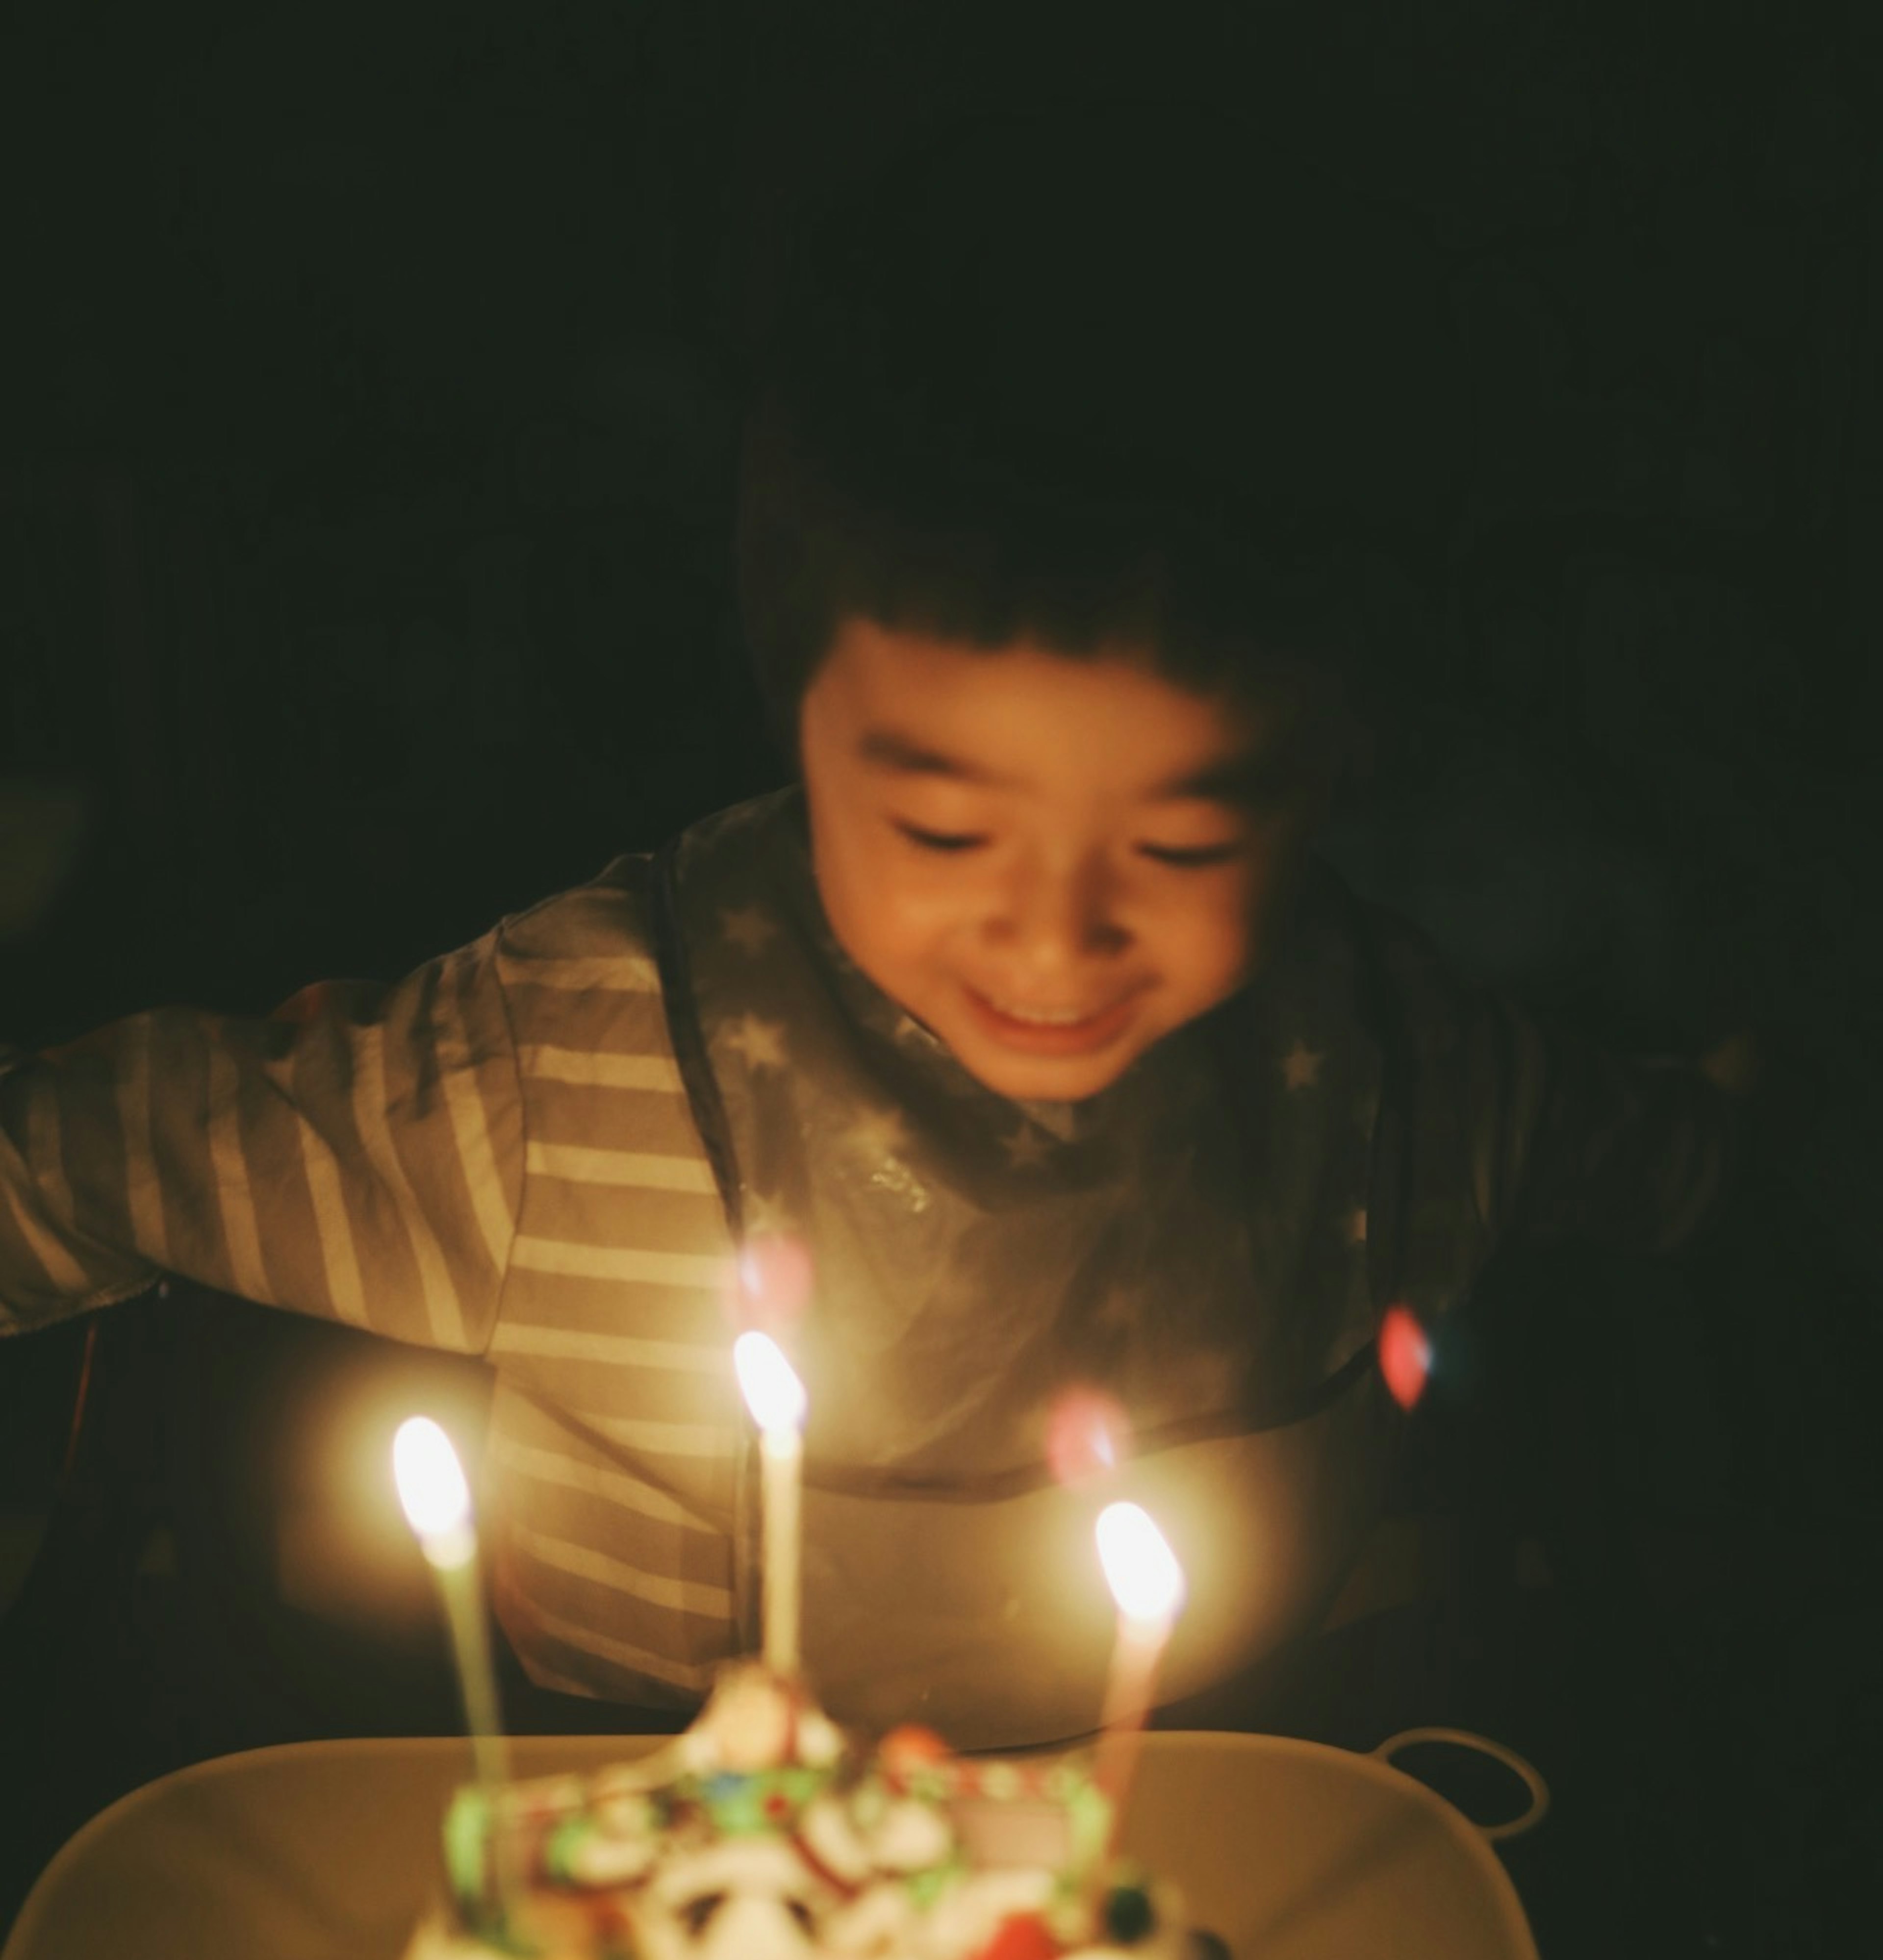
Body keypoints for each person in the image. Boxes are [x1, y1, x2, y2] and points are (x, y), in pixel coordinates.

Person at [0, 88, 1751, 1749]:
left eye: (1186, 840)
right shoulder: (573, 1080)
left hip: (1219, 1835)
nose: (1056, 941)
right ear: (793, 720)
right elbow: (99, 1153)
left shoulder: (1396, 1078)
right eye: (941, 822)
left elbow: (1695, 1160)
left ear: (1326, 782)